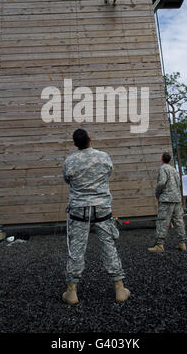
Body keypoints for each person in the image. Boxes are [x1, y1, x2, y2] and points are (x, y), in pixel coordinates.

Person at [62, 128, 130, 305]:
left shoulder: (69, 161)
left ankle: (71, 292)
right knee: (108, 245)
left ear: (75, 144)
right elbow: (108, 173)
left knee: (76, 250)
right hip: (102, 208)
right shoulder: (104, 157)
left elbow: (67, 179)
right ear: (90, 139)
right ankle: (119, 288)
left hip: (79, 209)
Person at [148, 152, 187, 253]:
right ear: (169, 160)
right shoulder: (174, 170)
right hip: (177, 199)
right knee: (179, 221)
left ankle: (159, 245)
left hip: (166, 199)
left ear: (162, 159)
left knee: (162, 221)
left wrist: (157, 194)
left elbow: (161, 182)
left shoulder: (163, 168)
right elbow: (179, 183)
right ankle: (182, 243)